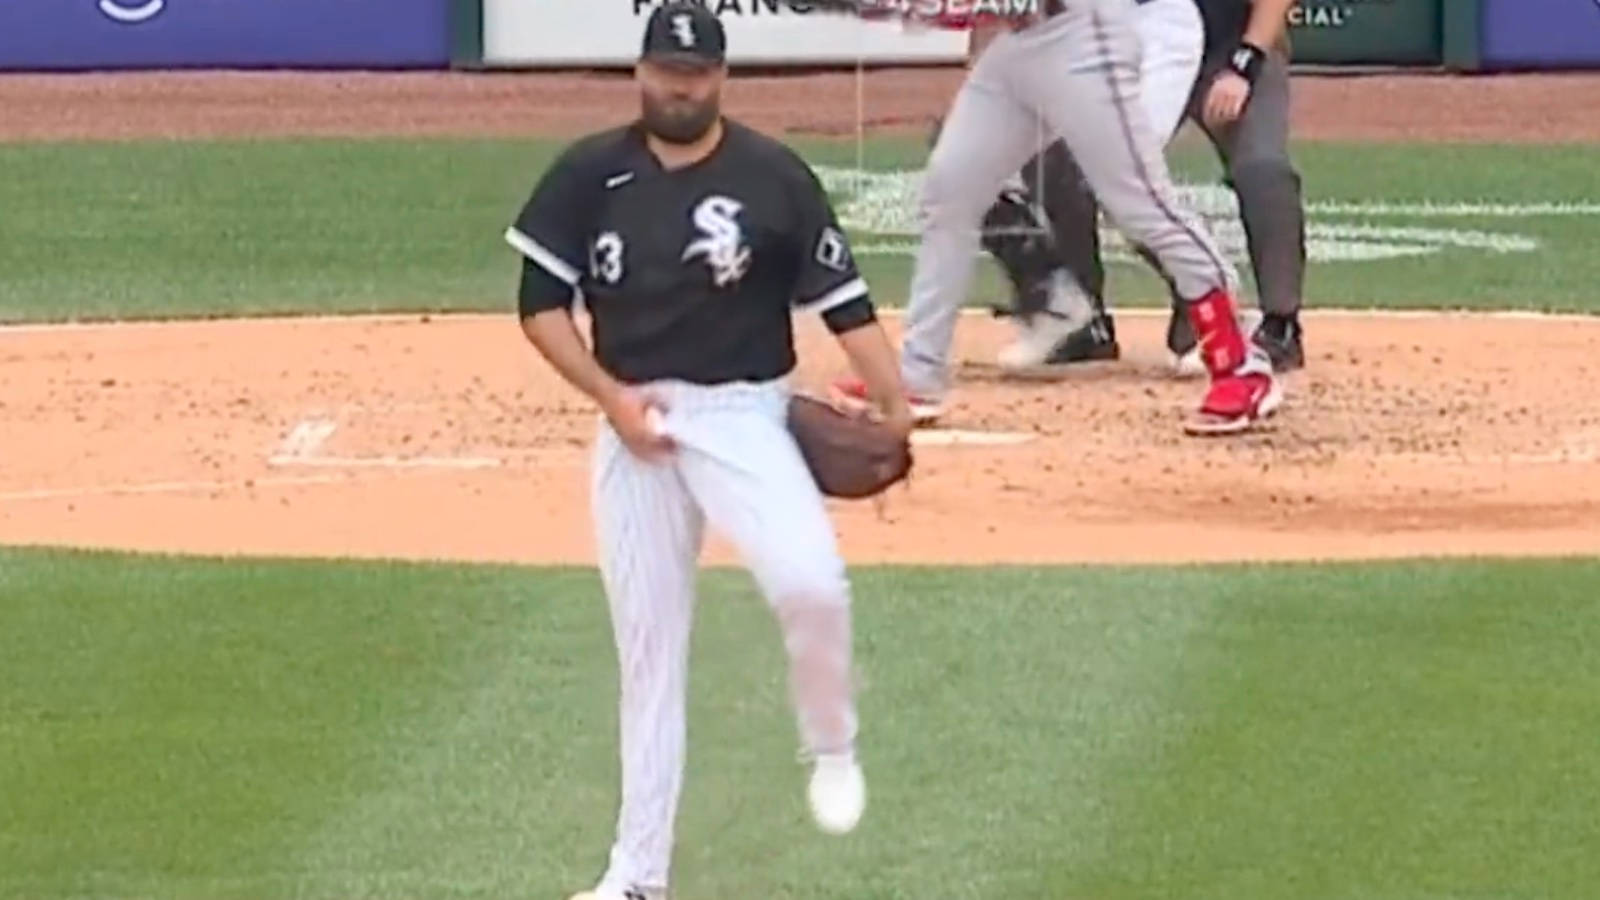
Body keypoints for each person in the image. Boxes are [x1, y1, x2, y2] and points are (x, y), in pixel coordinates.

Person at [505, 5, 912, 898]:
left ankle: (832, 742)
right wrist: (611, 402)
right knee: (649, 653)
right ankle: (637, 876)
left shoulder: (773, 178)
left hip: (743, 414)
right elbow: (539, 305)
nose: (677, 88)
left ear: (721, 78)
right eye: (663, 71)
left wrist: (893, 405)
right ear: (640, 70)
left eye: (693, 75)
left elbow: (843, 304)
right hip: (636, 417)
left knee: (810, 582)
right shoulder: (589, 174)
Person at [838, 0, 1282, 435]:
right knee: (951, 189)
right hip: (1020, 44)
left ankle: (1242, 362)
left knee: (1140, 203)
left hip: (1086, 34)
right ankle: (918, 376)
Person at [980, 0, 1307, 374]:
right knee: (1062, 153)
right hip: (1141, 41)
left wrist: (1245, 63)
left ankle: (1278, 325)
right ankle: (1086, 320)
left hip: (1234, 45)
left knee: (1262, 168)